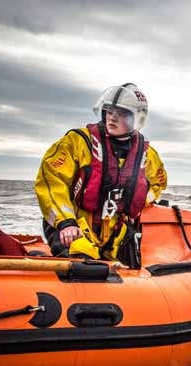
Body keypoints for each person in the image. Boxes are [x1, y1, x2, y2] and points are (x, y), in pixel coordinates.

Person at [35, 83, 167, 268]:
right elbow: (51, 181)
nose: (112, 118)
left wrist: (138, 206)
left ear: (136, 119)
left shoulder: (147, 155)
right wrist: (66, 222)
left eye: (121, 114)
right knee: (84, 268)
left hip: (115, 233)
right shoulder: (77, 142)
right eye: (109, 111)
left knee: (134, 269)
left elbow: (158, 183)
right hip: (74, 227)